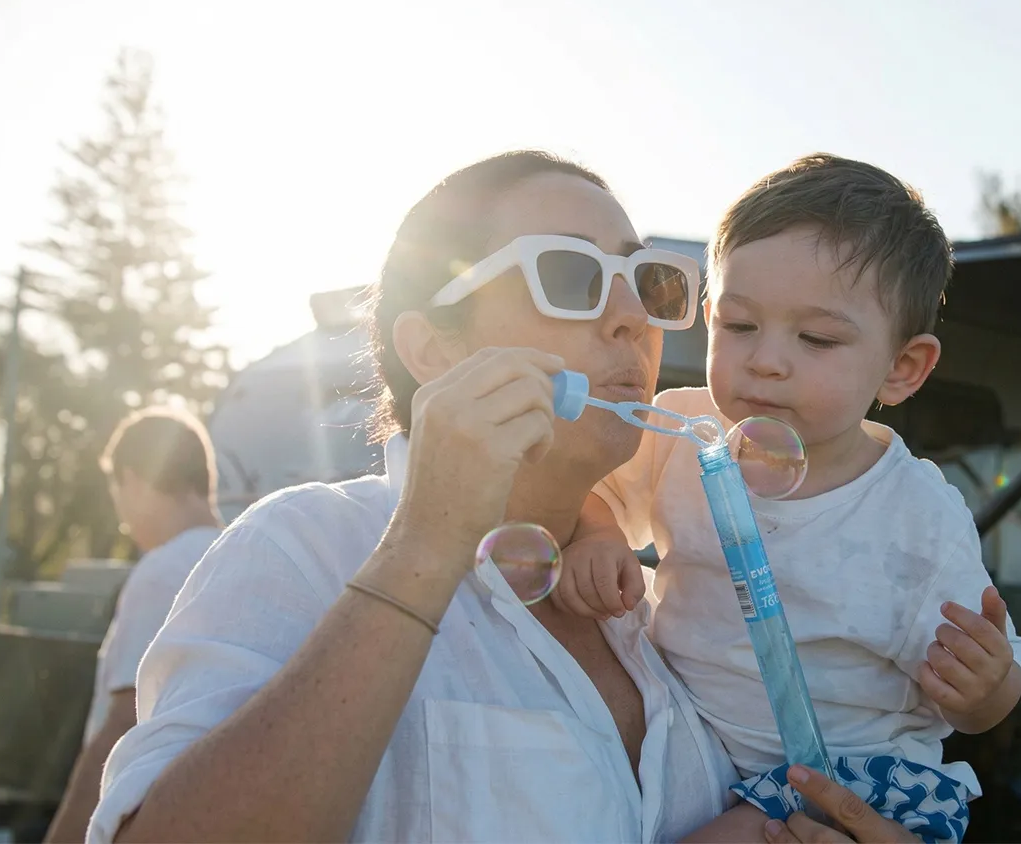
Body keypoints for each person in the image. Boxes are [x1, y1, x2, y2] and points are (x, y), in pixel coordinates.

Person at [86, 150, 760, 843]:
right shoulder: (304, 546)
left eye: (649, 283)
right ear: (434, 348)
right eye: (569, 273)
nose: (631, 317)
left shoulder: (654, 610)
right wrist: (427, 544)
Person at [555, 154, 1021, 843]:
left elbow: (988, 698)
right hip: (702, 753)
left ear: (902, 368)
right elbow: (593, 490)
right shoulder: (683, 431)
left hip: (853, 780)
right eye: (740, 326)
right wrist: (598, 533)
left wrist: (988, 688)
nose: (766, 359)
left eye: (815, 338)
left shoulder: (916, 514)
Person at [45, 408, 223, 843]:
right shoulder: (244, 554)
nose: (123, 519)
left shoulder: (162, 570)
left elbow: (125, 721)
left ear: (133, 482)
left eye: (118, 495)